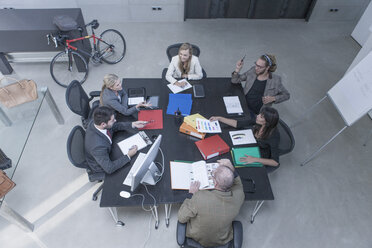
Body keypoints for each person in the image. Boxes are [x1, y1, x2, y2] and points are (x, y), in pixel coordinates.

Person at [178, 159, 244, 247]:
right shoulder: (239, 196)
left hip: (198, 238)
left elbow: (181, 217)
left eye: (212, 175)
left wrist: (191, 194)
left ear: (215, 183)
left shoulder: (199, 197)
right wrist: (231, 167)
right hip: (222, 240)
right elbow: (238, 185)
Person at [210, 107, 280, 171]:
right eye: (260, 114)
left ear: (266, 123)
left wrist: (254, 159)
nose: (257, 116)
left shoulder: (273, 137)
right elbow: (237, 123)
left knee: (236, 166)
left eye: (261, 117)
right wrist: (219, 118)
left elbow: (275, 162)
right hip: (251, 144)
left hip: (260, 154)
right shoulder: (257, 122)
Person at [85, 106, 147, 174]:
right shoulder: (97, 147)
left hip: (107, 148)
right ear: (103, 124)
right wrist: (128, 156)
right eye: (112, 120)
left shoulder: (96, 122)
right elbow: (109, 168)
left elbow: (113, 127)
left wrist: (132, 124)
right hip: (102, 165)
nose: (115, 120)